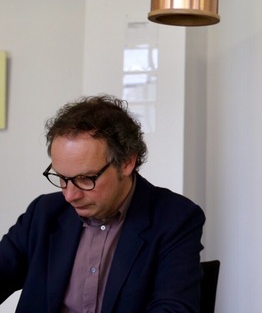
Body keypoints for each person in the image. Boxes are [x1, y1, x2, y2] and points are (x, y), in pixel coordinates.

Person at [0, 94, 206, 312]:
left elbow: (173, 308)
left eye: (85, 179)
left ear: (126, 162)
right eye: (62, 178)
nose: (69, 195)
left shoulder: (174, 218)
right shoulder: (44, 212)